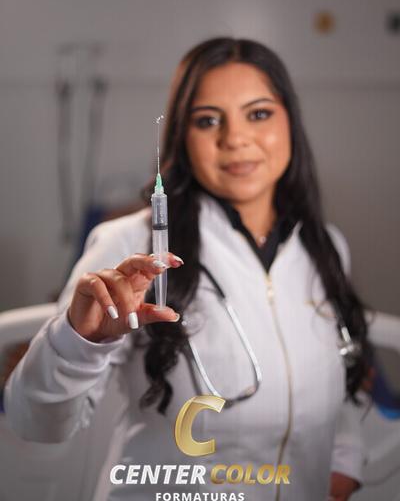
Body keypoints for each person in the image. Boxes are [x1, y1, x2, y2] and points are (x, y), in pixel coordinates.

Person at [4, 38, 370, 501]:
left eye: (258, 114)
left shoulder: (325, 246)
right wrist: (79, 342)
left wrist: (343, 461)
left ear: (290, 122)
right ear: (182, 135)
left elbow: (338, 379)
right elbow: (35, 421)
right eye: (208, 120)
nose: (234, 138)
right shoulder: (130, 247)